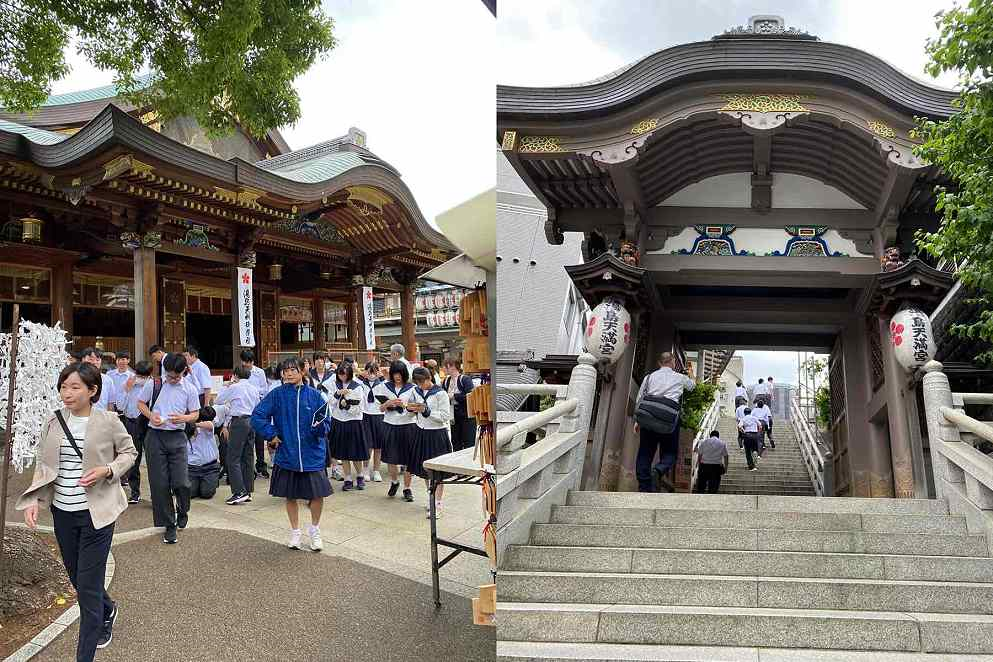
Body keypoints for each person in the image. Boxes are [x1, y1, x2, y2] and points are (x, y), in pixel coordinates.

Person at [17, 362, 137, 661]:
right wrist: (33, 499)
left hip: (97, 514)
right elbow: (44, 465)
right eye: (63, 387)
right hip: (63, 512)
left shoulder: (108, 421)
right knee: (77, 578)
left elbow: (129, 453)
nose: (66, 393)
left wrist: (107, 469)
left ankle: (85, 653)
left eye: (74, 387)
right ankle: (108, 608)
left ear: (92, 390)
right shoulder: (53, 421)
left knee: (87, 589)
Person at [251, 358, 332, 551]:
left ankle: (315, 530)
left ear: (302, 371)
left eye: (293, 370)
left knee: (317, 495)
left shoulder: (315, 396)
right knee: (290, 495)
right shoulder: (276, 395)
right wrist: (271, 434)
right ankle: (295, 532)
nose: (288, 373)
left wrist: (319, 428)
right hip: (287, 454)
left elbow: (327, 423)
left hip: (312, 454)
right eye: (285, 371)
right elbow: (257, 416)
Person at [137, 352, 201, 544]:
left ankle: (183, 508)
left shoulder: (189, 388)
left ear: (184, 371)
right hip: (155, 436)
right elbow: (140, 403)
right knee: (159, 484)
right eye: (170, 375)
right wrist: (151, 416)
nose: (172, 379)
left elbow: (196, 414)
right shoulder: (154, 384)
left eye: (176, 376)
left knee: (181, 482)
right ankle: (169, 524)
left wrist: (184, 418)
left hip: (177, 437)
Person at [633, 352, 696, 493]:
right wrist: (690, 374)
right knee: (670, 452)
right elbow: (692, 386)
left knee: (645, 452)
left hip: (648, 417)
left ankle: (644, 487)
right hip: (669, 419)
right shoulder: (680, 377)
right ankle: (659, 470)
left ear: (659, 363)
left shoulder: (649, 377)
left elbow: (640, 398)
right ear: (673, 362)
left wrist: (637, 421)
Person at [406, 367, 453, 517]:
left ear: (429, 378)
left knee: (437, 472)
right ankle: (431, 498)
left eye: (422, 382)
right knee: (425, 470)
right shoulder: (416, 391)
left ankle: (438, 505)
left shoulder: (440, 393)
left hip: (437, 434)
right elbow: (411, 411)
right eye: (418, 383)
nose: (421, 386)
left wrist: (427, 411)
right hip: (421, 432)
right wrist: (410, 408)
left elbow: (445, 416)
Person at [214, 365, 262, 504]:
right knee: (248, 456)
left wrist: (227, 386)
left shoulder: (234, 387)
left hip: (239, 421)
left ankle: (239, 491)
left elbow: (218, 400)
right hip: (251, 421)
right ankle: (247, 491)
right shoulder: (254, 388)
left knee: (233, 457)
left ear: (235, 375)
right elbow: (257, 406)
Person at [375, 361, 417, 501]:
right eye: (394, 374)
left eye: (399, 374)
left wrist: (405, 405)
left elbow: (416, 408)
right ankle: (394, 481)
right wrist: (388, 403)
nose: (397, 377)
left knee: (408, 458)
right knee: (390, 457)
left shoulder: (412, 388)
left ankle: (407, 488)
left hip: (408, 425)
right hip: (390, 424)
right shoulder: (385, 387)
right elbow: (380, 408)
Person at [328, 362, 369, 490]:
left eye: (345, 375)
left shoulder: (357, 386)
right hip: (338, 420)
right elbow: (329, 402)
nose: (342, 377)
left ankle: (360, 476)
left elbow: (360, 408)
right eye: (340, 375)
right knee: (343, 452)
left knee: (355, 452)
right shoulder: (334, 384)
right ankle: (348, 478)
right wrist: (337, 394)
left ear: (350, 374)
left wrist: (347, 406)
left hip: (353, 421)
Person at [117, 360, 154, 503]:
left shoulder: (154, 385)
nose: (141, 379)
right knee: (133, 458)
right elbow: (120, 406)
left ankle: (155, 493)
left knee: (153, 460)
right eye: (139, 375)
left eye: (144, 377)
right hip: (131, 423)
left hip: (149, 424)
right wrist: (127, 389)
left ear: (149, 375)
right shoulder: (129, 383)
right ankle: (134, 492)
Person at [187, 405, 223, 499]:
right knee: (189, 493)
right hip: (192, 468)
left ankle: (210, 482)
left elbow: (210, 425)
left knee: (206, 493)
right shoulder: (184, 433)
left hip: (209, 468)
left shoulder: (205, 428)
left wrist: (195, 425)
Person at [359, 361, 385, 482]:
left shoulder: (382, 384)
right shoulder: (361, 384)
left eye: (374, 372)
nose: (372, 375)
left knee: (378, 446)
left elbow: (388, 388)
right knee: (367, 445)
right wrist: (361, 375)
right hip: (366, 415)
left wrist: (382, 376)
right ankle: (365, 469)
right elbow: (353, 384)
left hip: (379, 416)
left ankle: (376, 470)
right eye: (369, 372)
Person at [443, 358, 477, 452]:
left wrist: (454, 396)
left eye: (445, 366)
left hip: (467, 415)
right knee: (455, 442)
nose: (443, 369)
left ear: (451, 366)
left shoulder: (465, 379)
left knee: (468, 442)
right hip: (453, 416)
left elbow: (470, 396)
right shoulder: (446, 381)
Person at [80, 348, 118, 413]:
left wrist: (110, 417)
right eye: (91, 359)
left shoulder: (107, 380)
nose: (94, 362)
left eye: (97, 360)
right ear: (83, 360)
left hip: (101, 417)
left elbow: (110, 404)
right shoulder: (77, 378)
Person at [739, 406, 764, 471]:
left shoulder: (743, 419)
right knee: (754, 448)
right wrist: (758, 432)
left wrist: (743, 431)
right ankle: (755, 453)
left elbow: (739, 426)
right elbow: (760, 426)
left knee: (748, 451)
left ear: (744, 413)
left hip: (747, 435)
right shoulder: (754, 418)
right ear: (750, 412)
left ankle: (751, 466)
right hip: (755, 434)